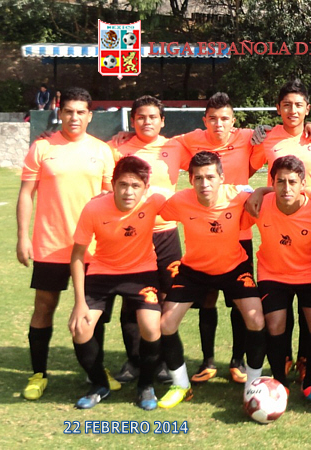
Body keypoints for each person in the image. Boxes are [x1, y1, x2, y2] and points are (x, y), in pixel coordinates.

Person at [17, 87, 115, 400]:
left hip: (93, 249)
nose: (74, 117)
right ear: (60, 113)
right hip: (50, 245)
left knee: (92, 312)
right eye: (69, 111)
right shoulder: (42, 147)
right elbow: (26, 195)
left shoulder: (102, 151)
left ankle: (95, 371)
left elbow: (110, 199)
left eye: (80, 112)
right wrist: (22, 237)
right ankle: (38, 374)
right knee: (44, 307)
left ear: (90, 116)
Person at [156, 151, 266, 409]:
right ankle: (181, 385)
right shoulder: (179, 201)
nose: (204, 184)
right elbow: (151, 208)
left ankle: (253, 385)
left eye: (210, 177)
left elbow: (271, 197)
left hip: (233, 268)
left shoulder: (238, 196)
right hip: (194, 271)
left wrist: (261, 189)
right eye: (198, 178)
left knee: (256, 319)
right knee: (166, 323)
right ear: (190, 180)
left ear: (221, 178)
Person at [172, 93, 264, 384]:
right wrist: (123, 137)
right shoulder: (191, 139)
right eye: (212, 118)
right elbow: (162, 143)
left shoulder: (247, 137)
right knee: (207, 298)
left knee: (239, 301)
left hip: (239, 232)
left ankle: (237, 361)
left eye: (224, 118)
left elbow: (280, 132)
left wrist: (306, 127)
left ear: (234, 121)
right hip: (204, 232)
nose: (218, 124)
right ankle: (208, 361)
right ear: (205, 120)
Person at [252, 79, 311, 383]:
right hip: (279, 219)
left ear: (307, 108)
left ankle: (306, 362)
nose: (292, 110)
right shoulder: (267, 138)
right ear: (278, 108)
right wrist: (261, 190)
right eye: (286, 104)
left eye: (299, 105)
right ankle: (281, 362)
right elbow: (248, 168)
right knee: (279, 312)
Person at [69, 156, 167, 410]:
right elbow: (77, 256)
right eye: (123, 184)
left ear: (146, 188)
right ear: (113, 184)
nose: (128, 192)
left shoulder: (155, 200)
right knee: (80, 328)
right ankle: (99, 384)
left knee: (151, 327)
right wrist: (79, 303)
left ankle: (146, 385)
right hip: (102, 271)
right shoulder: (94, 208)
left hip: (142, 271)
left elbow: (192, 201)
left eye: (135, 186)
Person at [110, 96, 188, 385]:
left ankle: (165, 361)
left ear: (162, 121)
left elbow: (215, 148)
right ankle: (135, 361)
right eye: (141, 117)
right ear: (132, 120)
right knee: (133, 298)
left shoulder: (176, 146)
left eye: (153, 117)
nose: (147, 122)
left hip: (166, 233)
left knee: (168, 298)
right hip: (131, 234)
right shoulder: (117, 148)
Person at [242, 155, 311, 405]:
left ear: (303, 184)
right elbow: (232, 198)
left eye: (292, 182)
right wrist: (258, 191)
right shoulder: (260, 205)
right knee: (275, 325)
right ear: (272, 183)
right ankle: (279, 381)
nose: (286, 188)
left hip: (309, 272)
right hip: (273, 273)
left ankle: (310, 383)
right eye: (280, 181)